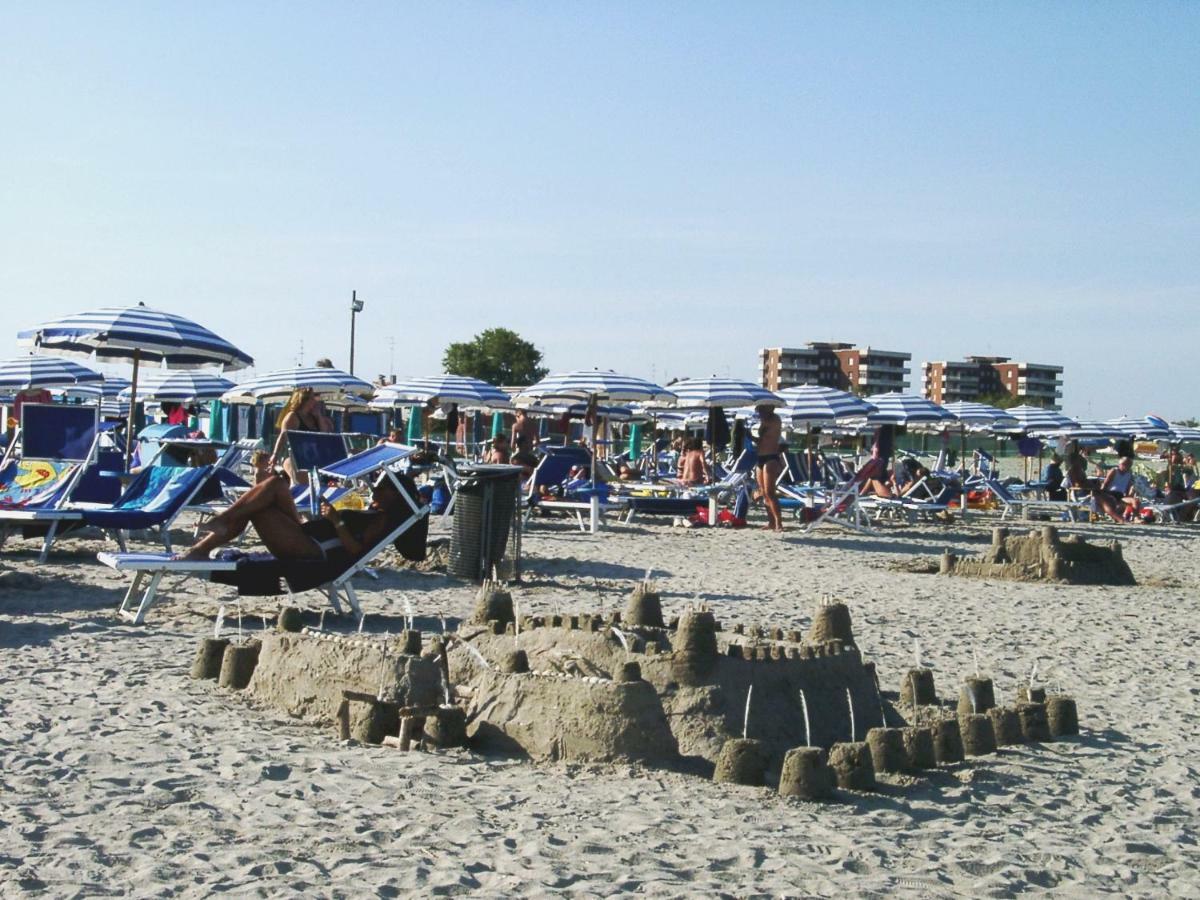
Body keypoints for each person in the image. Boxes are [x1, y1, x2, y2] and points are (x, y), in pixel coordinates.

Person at [178, 472, 405, 562]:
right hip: (308, 534)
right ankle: (219, 526)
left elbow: (355, 550)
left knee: (258, 508)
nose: (375, 490)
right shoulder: (372, 511)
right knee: (276, 483)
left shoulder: (381, 519)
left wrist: (337, 520)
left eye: (382, 488)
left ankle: (207, 541)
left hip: (314, 549)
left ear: (396, 496)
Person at [268, 388, 333, 479]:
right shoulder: (293, 416)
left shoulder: (314, 417)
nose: (315, 400)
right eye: (312, 397)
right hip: (294, 458)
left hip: (314, 458)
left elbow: (324, 435)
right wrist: (275, 455)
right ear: (304, 400)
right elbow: (283, 436)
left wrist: (318, 416)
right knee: (303, 482)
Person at [755, 403, 784, 531]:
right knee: (763, 492)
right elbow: (761, 439)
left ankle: (779, 522)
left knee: (770, 492)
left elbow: (766, 432)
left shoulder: (774, 419)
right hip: (761, 457)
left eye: (762, 409)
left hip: (771, 457)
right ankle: (771, 522)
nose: (759, 412)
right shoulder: (763, 421)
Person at [1096, 456, 1137, 523]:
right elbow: (1106, 483)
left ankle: (1136, 518)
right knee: (1113, 501)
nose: (1127, 467)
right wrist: (1102, 493)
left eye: (1129, 465)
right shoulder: (1114, 471)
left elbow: (1128, 486)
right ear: (1120, 464)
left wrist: (1128, 495)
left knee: (1135, 501)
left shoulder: (1129, 474)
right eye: (1125, 465)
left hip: (1121, 495)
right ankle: (1118, 517)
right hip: (1110, 493)